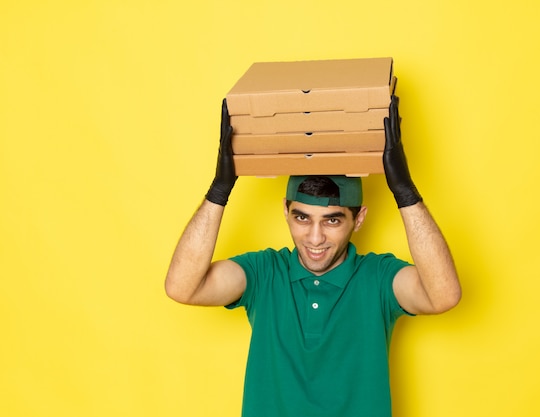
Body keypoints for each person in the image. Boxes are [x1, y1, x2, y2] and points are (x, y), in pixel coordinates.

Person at [165, 95, 461, 417]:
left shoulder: (378, 277)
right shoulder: (264, 273)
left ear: (358, 219)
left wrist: (404, 190)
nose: (314, 237)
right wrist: (219, 189)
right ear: (286, 212)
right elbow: (183, 287)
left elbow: (442, 295)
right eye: (302, 218)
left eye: (332, 220)